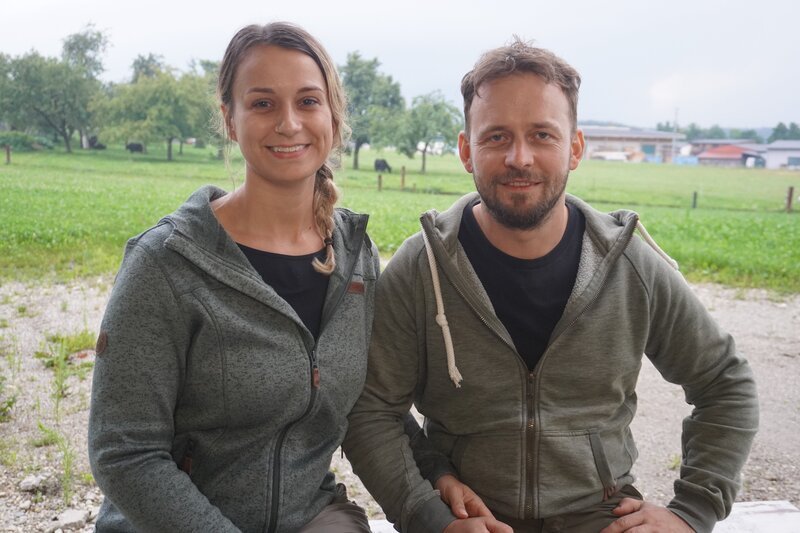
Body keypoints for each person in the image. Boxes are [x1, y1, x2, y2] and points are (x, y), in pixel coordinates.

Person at [342, 38, 759, 533]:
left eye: (542, 135)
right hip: (466, 518)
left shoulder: (629, 265)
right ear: (466, 151)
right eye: (496, 136)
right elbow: (371, 408)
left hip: (602, 520)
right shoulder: (421, 266)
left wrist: (692, 512)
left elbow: (725, 382)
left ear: (575, 148)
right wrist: (429, 514)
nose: (520, 157)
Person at [88, 22, 379, 532]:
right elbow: (125, 452)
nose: (289, 123)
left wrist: (435, 506)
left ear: (333, 114)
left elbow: (377, 413)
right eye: (263, 104)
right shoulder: (165, 262)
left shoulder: (357, 258)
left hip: (307, 515)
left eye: (308, 101)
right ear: (229, 119)